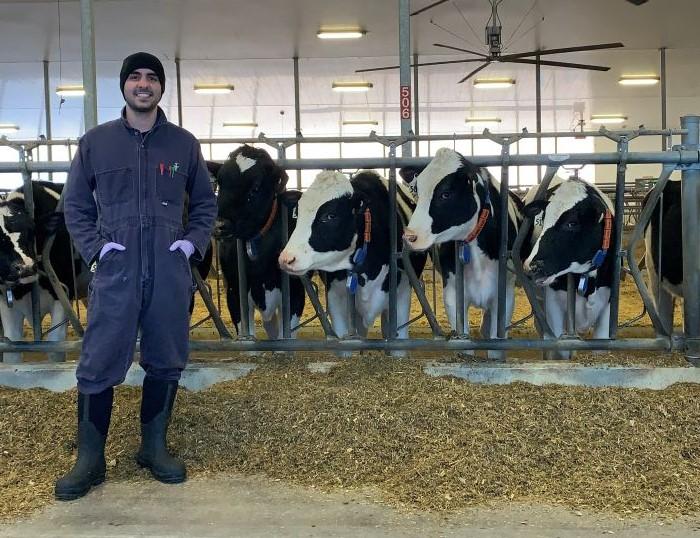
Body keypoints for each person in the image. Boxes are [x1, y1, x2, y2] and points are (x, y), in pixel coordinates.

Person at [56, 52, 217, 501]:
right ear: (123, 86)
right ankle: (90, 459)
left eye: (151, 78)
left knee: (167, 354)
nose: (143, 84)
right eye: (135, 77)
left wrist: (190, 245)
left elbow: (204, 203)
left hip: (167, 267)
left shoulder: (183, 144)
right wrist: (96, 250)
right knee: (99, 360)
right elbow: (75, 205)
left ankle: (153, 447)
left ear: (162, 88)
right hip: (117, 268)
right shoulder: (96, 142)